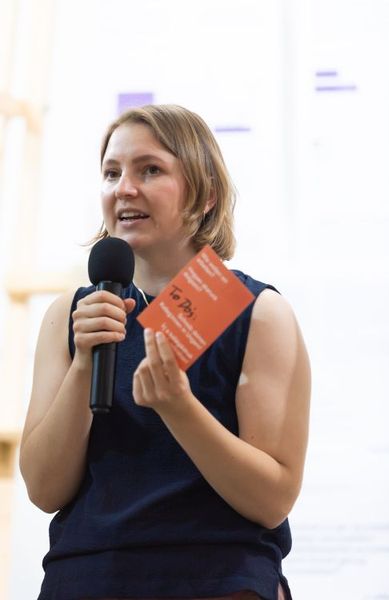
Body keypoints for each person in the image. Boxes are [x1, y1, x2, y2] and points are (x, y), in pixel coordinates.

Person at [19, 104, 311, 600]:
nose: (124, 188)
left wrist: (179, 408)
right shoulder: (71, 315)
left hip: (217, 579)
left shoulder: (259, 313)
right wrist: (85, 362)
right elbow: (45, 489)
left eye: (150, 170)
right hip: (86, 579)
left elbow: (271, 501)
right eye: (112, 173)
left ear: (206, 194)